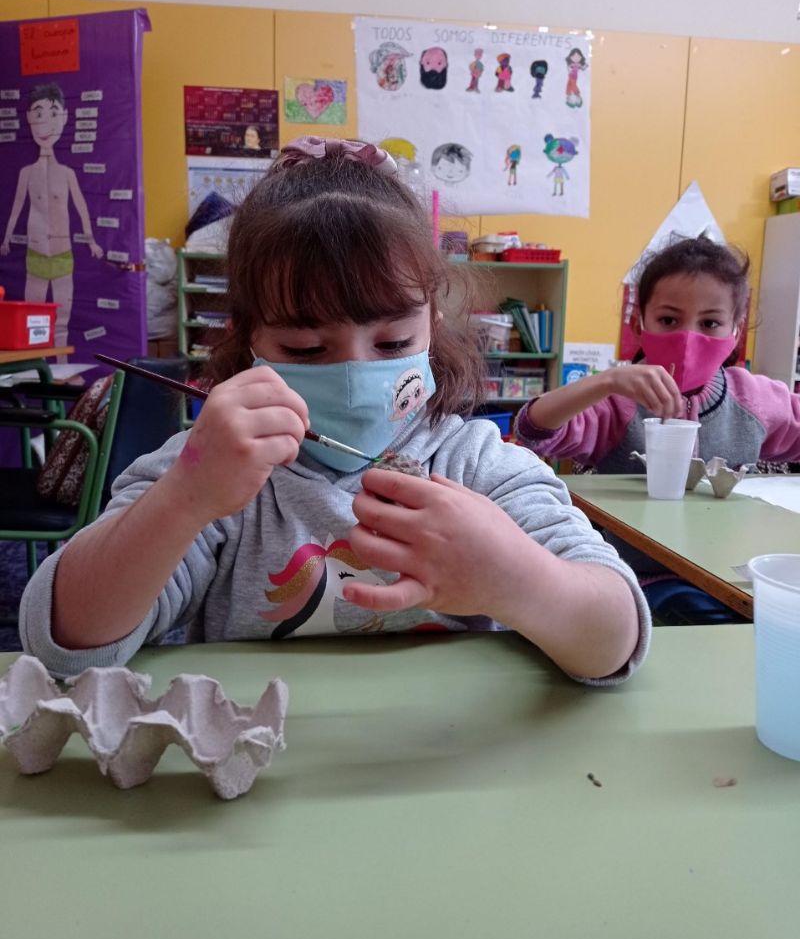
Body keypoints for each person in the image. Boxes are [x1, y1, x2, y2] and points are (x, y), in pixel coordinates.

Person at [20, 137, 649, 685]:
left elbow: (615, 640)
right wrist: (185, 497)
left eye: (393, 344)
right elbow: (65, 642)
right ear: (248, 341)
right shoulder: (212, 470)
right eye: (305, 349)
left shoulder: (477, 465)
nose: (354, 375)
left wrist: (513, 578)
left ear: (432, 325)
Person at [516, 235, 800, 623]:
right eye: (668, 320)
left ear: (735, 330)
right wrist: (604, 382)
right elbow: (533, 429)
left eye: (710, 323)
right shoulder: (616, 401)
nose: (688, 337)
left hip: (731, 579)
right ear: (640, 323)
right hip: (637, 580)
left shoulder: (754, 398)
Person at [1, 83, 104, 360]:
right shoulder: (26, 172)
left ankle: (60, 368)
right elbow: (17, 207)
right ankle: (36, 369)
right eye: (38, 114)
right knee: (32, 321)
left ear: (65, 117)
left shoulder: (67, 173)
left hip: (62, 254)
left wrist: (91, 240)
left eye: (53, 113)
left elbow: (81, 207)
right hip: (35, 253)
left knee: (62, 320)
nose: (45, 122)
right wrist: (6, 238)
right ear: (28, 118)